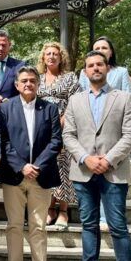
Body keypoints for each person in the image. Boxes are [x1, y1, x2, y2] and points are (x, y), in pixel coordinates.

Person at [63, 51, 131, 261]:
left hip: (113, 172)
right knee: (88, 226)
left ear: (107, 68)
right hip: (83, 172)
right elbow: (69, 136)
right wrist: (86, 158)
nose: (95, 68)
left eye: (99, 64)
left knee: (118, 227)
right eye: (90, 66)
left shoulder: (124, 98)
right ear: (84, 72)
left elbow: (130, 135)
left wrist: (107, 160)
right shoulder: (75, 100)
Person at [0, 67, 62, 261]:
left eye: (33, 81)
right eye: (24, 81)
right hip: (14, 175)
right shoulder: (5, 108)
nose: (28, 84)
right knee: (14, 225)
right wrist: (21, 166)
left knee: (39, 226)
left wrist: (37, 166)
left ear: (38, 84)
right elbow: (3, 141)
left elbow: (56, 141)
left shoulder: (50, 108)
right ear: (16, 84)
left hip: (41, 176)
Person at [79, 36, 131, 231]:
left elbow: (129, 99)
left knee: (111, 178)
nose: (101, 50)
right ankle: (99, 217)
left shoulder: (120, 72)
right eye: (96, 48)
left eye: (104, 48)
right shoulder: (84, 74)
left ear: (111, 51)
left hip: (114, 134)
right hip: (90, 135)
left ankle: (109, 217)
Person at [35, 41, 81, 230]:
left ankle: (63, 210)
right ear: (43, 58)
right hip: (42, 129)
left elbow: (77, 100)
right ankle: (49, 208)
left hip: (64, 127)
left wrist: (63, 117)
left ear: (61, 57)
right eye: (48, 54)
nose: (52, 56)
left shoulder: (70, 77)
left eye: (55, 54)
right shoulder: (37, 78)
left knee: (63, 167)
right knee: (47, 167)